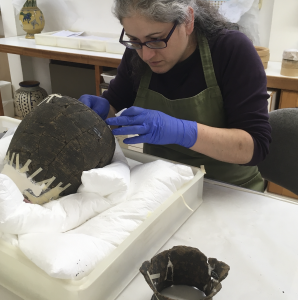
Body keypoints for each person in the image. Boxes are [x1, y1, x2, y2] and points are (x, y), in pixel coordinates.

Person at [79, 0, 271, 192]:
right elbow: (114, 105)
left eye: (156, 39)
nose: (146, 55)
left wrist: (182, 131)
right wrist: (99, 114)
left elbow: (254, 147)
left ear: (187, 21)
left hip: (228, 191)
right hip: (162, 186)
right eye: (134, 40)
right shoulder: (137, 55)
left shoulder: (231, 50)